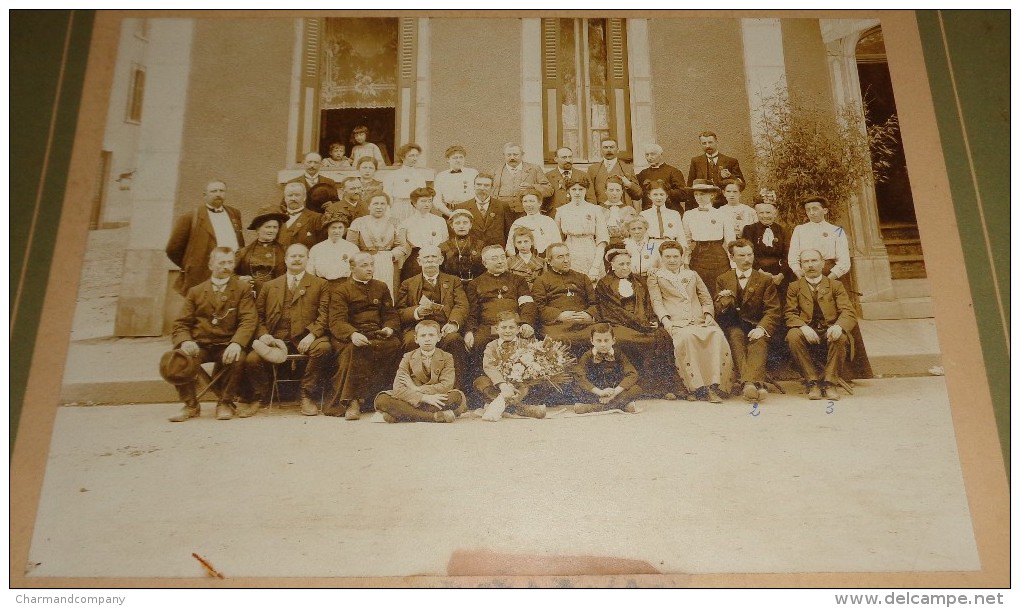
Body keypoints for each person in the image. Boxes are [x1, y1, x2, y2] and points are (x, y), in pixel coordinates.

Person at [165, 247, 257, 422]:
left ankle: (225, 402)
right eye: (221, 262)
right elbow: (181, 323)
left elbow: (248, 320)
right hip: (201, 344)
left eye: (230, 262)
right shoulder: (196, 291)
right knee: (178, 359)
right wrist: (185, 341)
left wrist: (237, 343)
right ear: (210, 264)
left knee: (238, 358)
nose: (226, 266)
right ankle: (190, 405)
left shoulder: (242, 289)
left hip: (227, 344)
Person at [787, 195, 873, 380]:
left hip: (832, 275)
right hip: (806, 275)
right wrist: (803, 277)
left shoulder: (837, 231)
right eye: (808, 209)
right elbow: (793, 258)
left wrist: (827, 280)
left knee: (839, 317)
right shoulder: (800, 230)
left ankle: (844, 373)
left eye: (815, 209)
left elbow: (843, 261)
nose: (811, 213)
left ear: (825, 210)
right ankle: (812, 373)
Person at [245, 243, 333, 417]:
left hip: (307, 337)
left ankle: (306, 393)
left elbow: (325, 315)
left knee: (324, 348)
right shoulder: (270, 286)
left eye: (301, 256)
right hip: (276, 339)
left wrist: (312, 334)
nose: (297, 259)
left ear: (308, 260)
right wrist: (264, 335)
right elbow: (258, 316)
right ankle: (261, 396)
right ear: (285, 260)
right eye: (293, 256)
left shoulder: (320, 284)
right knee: (252, 359)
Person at [648, 240, 734, 402]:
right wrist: (666, 321)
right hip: (676, 320)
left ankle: (716, 384)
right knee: (688, 338)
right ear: (661, 258)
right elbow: (656, 302)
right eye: (667, 257)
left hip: (699, 319)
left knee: (716, 334)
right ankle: (697, 386)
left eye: (675, 256)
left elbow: (705, 298)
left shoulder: (692, 274)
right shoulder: (656, 276)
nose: (672, 260)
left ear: (682, 257)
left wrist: (708, 315)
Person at [325, 252, 402, 420]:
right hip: (350, 335)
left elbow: (390, 314)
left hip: (377, 333)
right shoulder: (341, 290)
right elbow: (337, 321)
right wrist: (352, 334)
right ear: (352, 268)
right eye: (364, 265)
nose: (370, 268)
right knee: (355, 349)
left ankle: (382, 398)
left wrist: (389, 328)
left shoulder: (381, 287)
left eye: (371, 264)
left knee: (395, 344)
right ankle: (351, 401)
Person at [394, 244, 469, 392]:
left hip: (444, 327)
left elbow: (461, 305)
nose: (430, 261)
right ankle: (413, 390)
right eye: (426, 258)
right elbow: (399, 311)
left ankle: (455, 390)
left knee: (454, 340)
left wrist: (453, 323)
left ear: (441, 260)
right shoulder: (408, 284)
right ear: (419, 261)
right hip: (418, 327)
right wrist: (417, 312)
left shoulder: (453, 281)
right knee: (410, 341)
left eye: (434, 257)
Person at [714, 239, 781, 402]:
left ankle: (748, 384)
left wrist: (761, 328)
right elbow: (718, 310)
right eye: (741, 255)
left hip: (757, 324)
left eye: (750, 255)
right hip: (734, 325)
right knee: (736, 337)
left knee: (759, 340)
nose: (747, 259)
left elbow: (773, 310)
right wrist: (724, 303)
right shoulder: (723, 279)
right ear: (732, 257)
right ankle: (754, 383)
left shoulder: (765, 279)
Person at [784, 249, 856, 401]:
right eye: (806, 262)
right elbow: (790, 314)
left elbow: (848, 312)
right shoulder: (794, 287)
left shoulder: (835, 285)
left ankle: (830, 383)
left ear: (823, 263)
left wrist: (838, 326)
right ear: (801, 266)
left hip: (829, 329)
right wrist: (803, 327)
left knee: (841, 337)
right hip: (807, 330)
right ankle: (813, 382)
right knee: (793, 336)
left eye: (814, 260)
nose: (810, 265)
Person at [595, 248, 674, 381]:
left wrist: (653, 319)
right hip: (620, 323)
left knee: (662, 336)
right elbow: (613, 310)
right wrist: (641, 324)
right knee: (625, 339)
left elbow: (648, 303)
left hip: (643, 321)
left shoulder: (639, 281)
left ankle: (660, 385)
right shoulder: (604, 284)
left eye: (628, 264)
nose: (625, 267)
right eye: (621, 264)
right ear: (612, 266)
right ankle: (631, 381)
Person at [374, 320, 468, 423]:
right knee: (381, 400)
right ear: (416, 339)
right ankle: (432, 417)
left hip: (432, 397)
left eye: (431, 335)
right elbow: (398, 388)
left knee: (455, 397)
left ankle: (401, 414)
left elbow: (446, 385)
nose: (427, 339)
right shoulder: (408, 357)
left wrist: (416, 388)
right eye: (423, 335)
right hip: (414, 399)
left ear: (439, 337)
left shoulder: (447, 357)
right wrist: (423, 397)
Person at [165, 180, 245, 295]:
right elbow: (172, 249)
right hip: (202, 276)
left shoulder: (234, 214)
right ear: (205, 195)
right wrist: (191, 265)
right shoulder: (190, 217)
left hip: (231, 273)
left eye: (221, 191)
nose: (218, 194)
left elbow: (239, 242)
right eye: (213, 191)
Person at [464, 245, 537, 356]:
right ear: (484, 263)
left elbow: (527, 304)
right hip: (488, 327)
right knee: (478, 342)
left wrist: (526, 322)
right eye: (494, 258)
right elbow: (472, 311)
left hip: (514, 326)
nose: (500, 261)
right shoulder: (475, 284)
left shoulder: (518, 280)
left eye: (502, 257)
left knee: (527, 344)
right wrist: (469, 331)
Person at [471, 311, 547, 419]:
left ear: (517, 329)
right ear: (497, 329)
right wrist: (503, 385)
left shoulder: (524, 344)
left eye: (511, 327)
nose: (507, 331)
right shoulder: (491, 346)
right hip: (499, 385)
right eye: (503, 327)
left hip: (519, 385)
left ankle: (504, 406)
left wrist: (514, 383)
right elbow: (489, 366)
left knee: (530, 385)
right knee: (480, 382)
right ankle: (519, 408)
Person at [531, 243, 597, 354]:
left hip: (584, 324)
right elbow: (539, 307)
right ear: (549, 261)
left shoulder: (582, 278)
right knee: (557, 341)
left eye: (567, 255)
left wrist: (590, 315)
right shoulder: (541, 281)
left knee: (602, 336)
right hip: (558, 325)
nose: (566, 260)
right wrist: (559, 315)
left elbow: (595, 302)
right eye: (560, 257)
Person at [570, 323, 643, 414]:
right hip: (596, 392)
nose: (603, 344)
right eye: (599, 341)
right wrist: (600, 392)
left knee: (636, 389)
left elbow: (632, 374)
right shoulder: (587, 356)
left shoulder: (618, 354)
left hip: (614, 392)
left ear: (613, 340)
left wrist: (614, 393)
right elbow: (579, 376)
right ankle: (622, 406)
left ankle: (593, 408)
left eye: (606, 340)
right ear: (592, 341)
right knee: (576, 388)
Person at [347, 192, 407, 297]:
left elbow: (402, 246)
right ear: (369, 206)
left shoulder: (395, 222)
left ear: (387, 206)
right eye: (375, 204)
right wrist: (363, 260)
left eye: (383, 204)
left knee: (388, 294)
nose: (379, 207)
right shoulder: (358, 222)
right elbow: (350, 247)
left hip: (389, 264)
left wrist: (390, 256)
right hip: (365, 264)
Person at [683, 179, 736, 297]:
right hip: (698, 255)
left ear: (712, 195)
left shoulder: (722, 214)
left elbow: (731, 242)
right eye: (696, 194)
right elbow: (685, 241)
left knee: (719, 288)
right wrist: (685, 262)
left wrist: (734, 265)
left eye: (702, 194)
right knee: (700, 289)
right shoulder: (689, 215)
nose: (698, 197)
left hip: (717, 255)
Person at [553, 176, 610, 282]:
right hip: (570, 250)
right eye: (574, 189)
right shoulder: (561, 211)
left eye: (581, 189)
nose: (577, 193)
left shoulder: (595, 210)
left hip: (590, 250)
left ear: (586, 190)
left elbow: (602, 239)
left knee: (592, 284)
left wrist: (595, 266)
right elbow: (557, 239)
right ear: (568, 191)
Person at [234, 205, 289, 298]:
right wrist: (240, 278)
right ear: (258, 229)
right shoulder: (244, 252)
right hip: (250, 296)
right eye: (268, 227)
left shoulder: (285, 251)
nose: (272, 230)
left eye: (275, 227)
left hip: (276, 296)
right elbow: (229, 273)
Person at [740, 196, 794, 290]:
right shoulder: (749, 230)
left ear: (775, 213)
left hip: (779, 273)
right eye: (761, 213)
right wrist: (761, 272)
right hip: (756, 270)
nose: (765, 216)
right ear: (757, 213)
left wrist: (781, 274)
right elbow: (747, 254)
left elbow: (788, 254)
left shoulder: (783, 230)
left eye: (768, 212)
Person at [398, 186, 449, 283]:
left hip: (437, 259)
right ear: (414, 203)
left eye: (430, 201)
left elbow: (445, 241)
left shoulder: (440, 221)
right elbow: (402, 246)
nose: (427, 204)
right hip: (416, 261)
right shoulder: (405, 223)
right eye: (423, 201)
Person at [491, 142, 553, 219]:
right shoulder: (496, 171)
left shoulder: (534, 169)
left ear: (522, 154)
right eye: (509, 155)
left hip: (527, 213)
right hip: (502, 214)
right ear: (504, 155)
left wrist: (532, 187)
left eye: (515, 154)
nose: (512, 157)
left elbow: (549, 190)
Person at [452, 172, 513, 247]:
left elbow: (509, 232)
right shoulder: (462, 207)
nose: (482, 188)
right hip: (472, 251)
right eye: (479, 184)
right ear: (474, 186)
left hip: (496, 251)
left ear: (492, 187)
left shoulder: (502, 206)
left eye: (486, 185)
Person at [306, 207, 360, 282]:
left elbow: (357, 271)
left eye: (340, 228)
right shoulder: (317, 249)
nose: (337, 231)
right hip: (322, 285)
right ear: (327, 229)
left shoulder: (352, 248)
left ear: (344, 229)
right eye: (333, 228)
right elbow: (310, 272)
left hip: (345, 285)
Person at [585, 138, 642, 208]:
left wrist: (629, 184)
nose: (609, 150)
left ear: (618, 150)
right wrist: (594, 210)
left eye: (612, 147)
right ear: (601, 151)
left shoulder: (627, 168)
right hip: (600, 210)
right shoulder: (593, 169)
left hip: (622, 211)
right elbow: (589, 193)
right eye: (605, 147)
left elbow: (638, 194)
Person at [686, 131, 745, 197]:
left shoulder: (730, 161)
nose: (707, 146)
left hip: (724, 202)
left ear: (717, 142)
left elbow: (741, 184)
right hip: (704, 201)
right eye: (704, 143)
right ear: (700, 144)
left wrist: (730, 176)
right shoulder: (695, 161)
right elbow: (690, 186)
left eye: (710, 142)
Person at [504, 189, 561, 256]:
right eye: (525, 201)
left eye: (532, 201)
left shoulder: (548, 221)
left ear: (539, 203)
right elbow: (509, 248)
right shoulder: (518, 223)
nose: (528, 205)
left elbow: (558, 244)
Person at [383, 142, 429, 223]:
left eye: (416, 156)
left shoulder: (420, 176)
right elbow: (387, 196)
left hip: (415, 209)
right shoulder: (393, 175)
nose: (414, 158)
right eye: (411, 156)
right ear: (403, 157)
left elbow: (422, 197)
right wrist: (388, 215)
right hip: (397, 208)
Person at [439, 209, 486, 286]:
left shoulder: (480, 244)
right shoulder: (443, 247)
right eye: (457, 223)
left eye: (465, 223)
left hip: (477, 285)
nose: (461, 226)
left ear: (470, 225)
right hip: (452, 286)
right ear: (452, 226)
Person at [636, 143, 687, 212]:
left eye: (653, 154)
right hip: (649, 213)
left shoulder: (673, 171)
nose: (649, 157)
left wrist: (665, 191)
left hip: (670, 212)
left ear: (661, 155)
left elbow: (683, 194)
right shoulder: (643, 173)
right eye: (647, 155)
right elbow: (636, 192)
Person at [432, 145, 478, 218]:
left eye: (461, 157)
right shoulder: (441, 176)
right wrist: (450, 214)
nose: (458, 160)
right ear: (448, 159)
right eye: (455, 158)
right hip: (449, 211)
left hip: (470, 211)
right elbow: (437, 200)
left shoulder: (472, 173)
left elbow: (478, 194)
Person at [278, 182, 324, 251]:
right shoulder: (278, 218)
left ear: (304, 197)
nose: (293, 198)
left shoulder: (316, 218)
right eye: (290, 195)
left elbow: (321, 245)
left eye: (297, 195)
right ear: (285, 198)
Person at [639, 179, 686, 244]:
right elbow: (643, 236)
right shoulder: (644, 214)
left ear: (666, 195)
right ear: (649, 196)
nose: (659, 198)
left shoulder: (674, 214)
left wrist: (682, 249)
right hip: (651, 246)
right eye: (655, 194)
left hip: (671, 246)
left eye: (661, 194)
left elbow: (681, 236)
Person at [544, 146, 586, 214]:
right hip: (555, 215)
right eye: (564, 157)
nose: (568, 160)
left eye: (570, 157)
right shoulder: (548, 176)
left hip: (578, 215)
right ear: (556, 159)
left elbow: (591, 199)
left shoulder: (583, 175)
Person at [600, 176, 635, 251]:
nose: (614, 193)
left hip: (625, 245)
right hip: (604, 245)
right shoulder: (599, 210)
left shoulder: (630, 210)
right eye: (611, 190)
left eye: (617, 190)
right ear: (605, 191)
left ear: (622, 192)